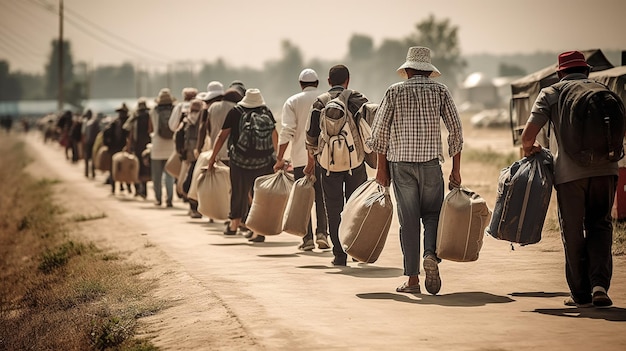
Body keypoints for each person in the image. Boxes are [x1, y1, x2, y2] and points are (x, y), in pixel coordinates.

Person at [521, 50, 618, 308]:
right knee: (601, 225)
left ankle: (580, 294)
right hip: (608, 170)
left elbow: (527, 137)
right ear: (586, 70)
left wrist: (533, 150)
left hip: (570, 176)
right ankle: (599, 285)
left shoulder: (551, 93)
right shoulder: (603, 89)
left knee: (573, 231)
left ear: (560, 73)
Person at [367, 46, 463, 295]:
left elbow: (380, 134)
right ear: (429, 71)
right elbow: (456, 131)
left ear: (408, 70)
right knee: (432, 216)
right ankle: (430, 254)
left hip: (401, 166)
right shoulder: (440, 91)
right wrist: (456, 170)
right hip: (431, 164)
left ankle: (412, 280)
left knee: (408, 222)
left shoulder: (394, 91)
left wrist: (381, 170)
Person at [304, 64, 369, 266]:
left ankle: (339, 254)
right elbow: (370, 129)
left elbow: (311, 135)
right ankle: (357, 249)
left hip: (328, 164)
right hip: (355, 162)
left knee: (333, 208)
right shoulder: (358, 100)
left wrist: (311, 161)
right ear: (347, 80)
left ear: (329, 81)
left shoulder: (320, 102)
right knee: (356, 205)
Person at [207, 88, 278, 243]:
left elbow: (222, 135)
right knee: (258, 195)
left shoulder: (235, 111)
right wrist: (277, 157)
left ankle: (234, 225)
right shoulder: (265, 111)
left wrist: (212, 157)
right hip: (262, 160)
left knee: (238, 191)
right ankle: (257, 230)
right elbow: (274, 134)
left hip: (240, 160)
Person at [274, 68, 329, 251]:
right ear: (318, 83)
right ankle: (323, 233)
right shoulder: (326, 99)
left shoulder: (292, 101)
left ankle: (308, 239)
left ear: (300, 84)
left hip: (300, 159)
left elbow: (287, 130)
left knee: (303, 199)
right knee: (322, 198)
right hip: (325, 158)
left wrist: (280, 157)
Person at [176, 98, 205, 218]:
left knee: (190, 179)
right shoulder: (203, 117)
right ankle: (199, 207)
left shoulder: (186, 119)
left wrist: (180, 151)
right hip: (202, 153)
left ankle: (193, 208)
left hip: (189, 154)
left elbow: (178, 135)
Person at [149, 88, 176, 207]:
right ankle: (169, 199)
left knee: (157, 176)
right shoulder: (175, 110)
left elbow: (150, 129)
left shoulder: (153, 111)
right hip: (171, 147)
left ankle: (158, 199)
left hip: (156, 147)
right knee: (169, 175)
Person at [123, 98, 152, 198]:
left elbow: (127, 129)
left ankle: (137, 189)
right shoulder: (149, 116)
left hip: (137, 146)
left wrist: (128, 146)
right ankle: (144, 190)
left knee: (136, 167)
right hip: (148, 145)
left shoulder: (135, 117)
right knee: (146, 168)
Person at [103, 103, 133, 195]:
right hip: (123, 149)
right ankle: (126, 187)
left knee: (115, 168)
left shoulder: (114, 122)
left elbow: (105, 134)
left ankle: (115, 187)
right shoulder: (127, 123)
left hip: (115, 149)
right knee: (126, 168)